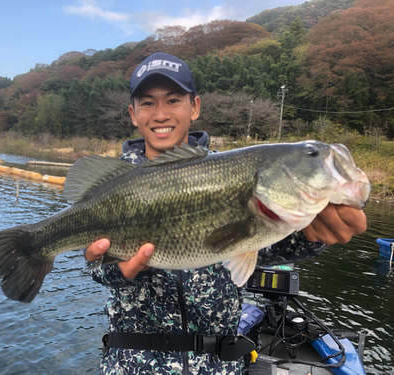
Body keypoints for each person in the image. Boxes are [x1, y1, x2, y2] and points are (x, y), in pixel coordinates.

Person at [84, 52, 367, 374]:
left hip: (219, 364)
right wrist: (120, 271)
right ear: (133, 114)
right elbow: (97, 267)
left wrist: (313, 235)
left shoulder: (232, 170)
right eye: (147, 103)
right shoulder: (114, 184)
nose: (160, 114)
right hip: (132, 364)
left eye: (174, 100)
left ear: (195, 107)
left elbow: (265, 247)